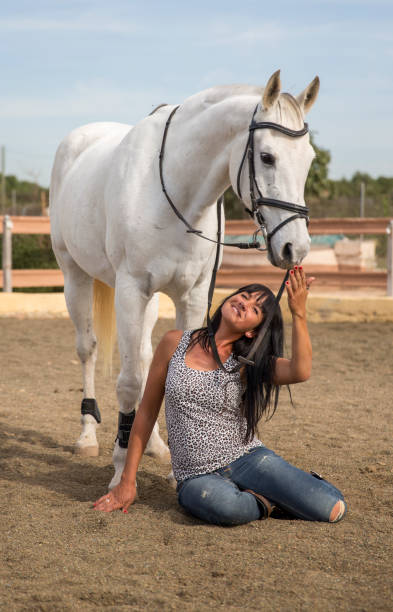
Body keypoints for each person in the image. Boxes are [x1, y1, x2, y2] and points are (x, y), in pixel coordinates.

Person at [94, 266, 346, 525]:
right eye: (244, 296)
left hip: (247, 459)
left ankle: (287, 488)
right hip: (196, 476)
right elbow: (146, 414)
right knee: (228, 508)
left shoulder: (248, 364)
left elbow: (300, 370)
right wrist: (127, 481)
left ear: (252, 332)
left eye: (255, 309)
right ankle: (265, 502)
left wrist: (299, 313)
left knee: (332, 507)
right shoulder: (174, 342)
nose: (244, 303)